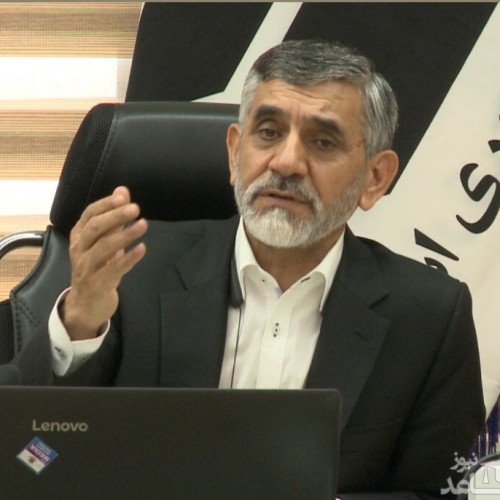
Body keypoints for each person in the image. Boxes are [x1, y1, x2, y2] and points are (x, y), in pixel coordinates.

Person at [16, 40, 484, 498]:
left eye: (323, 142)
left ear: (375, 178)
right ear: (234, 153)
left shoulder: (429, 316)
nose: (286, 162)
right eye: (268, 132)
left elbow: (443, 490)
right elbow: (28, 451)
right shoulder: (133, 268)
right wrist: (81, 320)